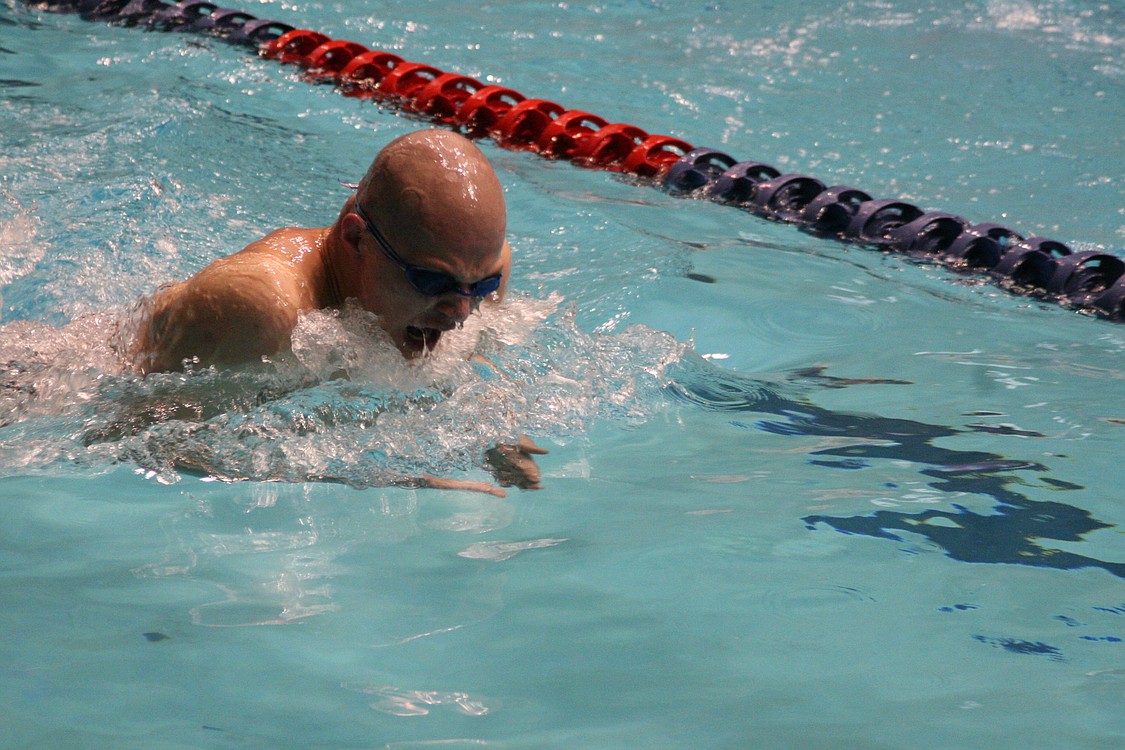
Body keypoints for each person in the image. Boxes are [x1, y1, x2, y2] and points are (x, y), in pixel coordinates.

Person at [133, 129, 545, 494]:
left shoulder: (474, 262)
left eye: (482, 285)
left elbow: (469, 359)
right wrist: (385, 474)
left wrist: (497, 432)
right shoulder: (259, 310)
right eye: (431, 281)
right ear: (355, 239)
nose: (462, 310)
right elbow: (150, 439)